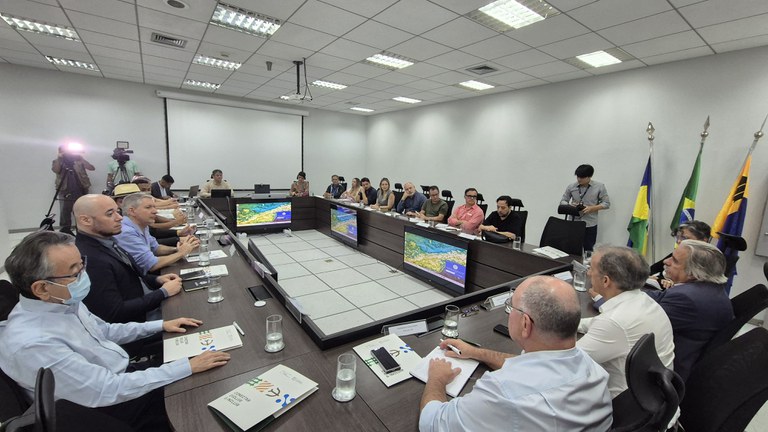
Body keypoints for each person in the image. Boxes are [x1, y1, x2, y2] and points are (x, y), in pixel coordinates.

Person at [0, 231, 230, 431]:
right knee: (205, 400)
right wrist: (186, 367)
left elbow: (105, 331)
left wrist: (160, 325)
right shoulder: (34, 344)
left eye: (82, 264)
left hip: (120, 374)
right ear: (41, 288)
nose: (84, 275)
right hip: (107, 409)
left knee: (209, 358)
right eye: (75, 272)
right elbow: (106, 390)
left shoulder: (61, 301)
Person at [419, 276, 612, 431]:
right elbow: (529, 366)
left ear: (525, 324)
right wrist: (476, 353)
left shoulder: (503, 393)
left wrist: (437, 378)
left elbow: (433, 422)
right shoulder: (593, 369)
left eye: (511, 308)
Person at [577, 245, 674, 397]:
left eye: (591, 269)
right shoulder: (645, 301)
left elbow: (568, 363)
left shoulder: (615, 321)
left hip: (622, 405)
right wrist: (567, 324)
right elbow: (596, 323)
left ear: (605, 280)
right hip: (653, 398)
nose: (588, 273)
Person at [74, 194, 182, 326]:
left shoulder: (107, 240)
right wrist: (163, 293)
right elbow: (115, 312)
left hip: (148, 304)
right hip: (142, 322)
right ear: (85, 220)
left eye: (117, 212)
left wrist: (157, 280)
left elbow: (130, 277)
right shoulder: (91, 259)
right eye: (110, 214)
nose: (120, 218)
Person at [646, 239, 733, 381]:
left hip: (663, 373)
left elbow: (640, 322)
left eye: (675, 260)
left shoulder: (687, 299)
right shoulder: (709, 289)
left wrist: (613, 296)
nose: (666, 261)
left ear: (693, 273)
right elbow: (661, 297)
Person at [115, 193, 199, 275]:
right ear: (132, 211)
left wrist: (177, 249)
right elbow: (151, 265)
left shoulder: (142, 225)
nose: (155, 211)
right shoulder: (126, 232)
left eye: (154, 207)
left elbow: (155, 248)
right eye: (148, 207)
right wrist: (181, 253)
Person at [560, 164, 610, 251]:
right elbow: (563, 201)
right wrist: (570, 205)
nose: (579, 179)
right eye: (578, 177)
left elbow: (606, 203)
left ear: (590, 176)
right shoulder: (571, 186)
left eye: (582, 177)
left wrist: (592, 208)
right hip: (573, 222)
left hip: (590, 223)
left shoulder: (599, 187)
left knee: (589, 249)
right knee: (571, 248)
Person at [649, 220, 712, 286]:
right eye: (677, 237)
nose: (679, 241)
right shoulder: (679, 254)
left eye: (684, 238)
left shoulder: (709, 262)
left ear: (703, 241)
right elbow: (652, 270)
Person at [51, 145, 95, 234]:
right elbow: (56, 170)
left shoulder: (78, 159)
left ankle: (82, 230)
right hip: (65, 189)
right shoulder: (58, 161)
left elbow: (92, 168)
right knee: (65, 212)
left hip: (80, 188)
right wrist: (59, 158)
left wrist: (81, 159)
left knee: (81, 210)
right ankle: (65, 231)